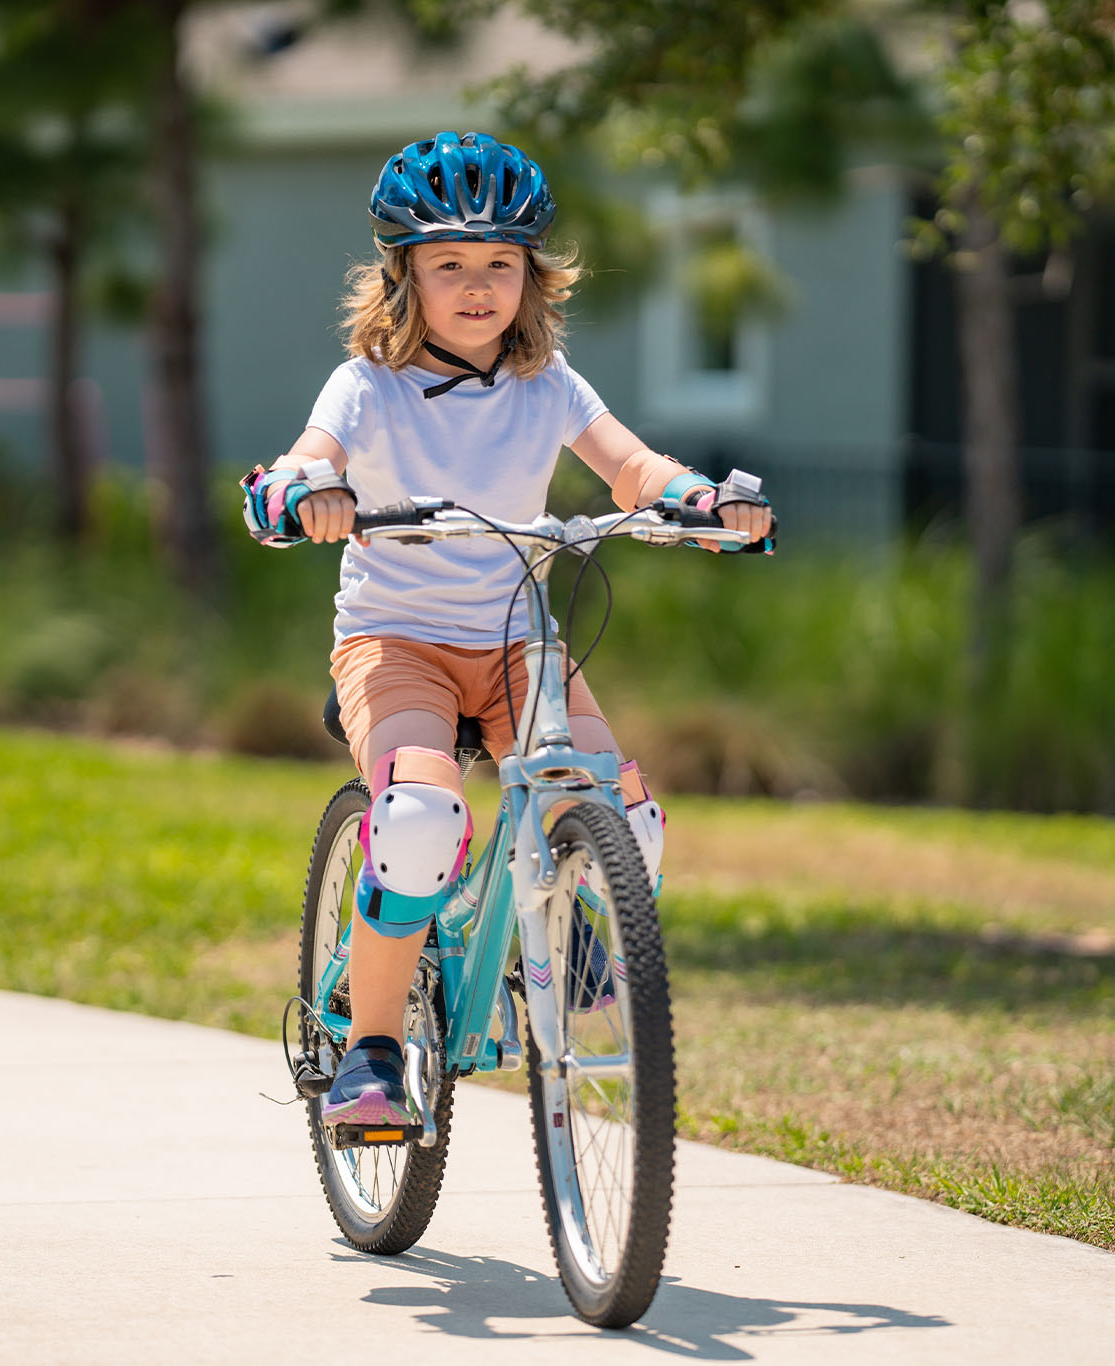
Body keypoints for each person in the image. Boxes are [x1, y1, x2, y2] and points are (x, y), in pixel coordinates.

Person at [238, 131, 774, 1130]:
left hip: (518, 637)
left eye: (499, 263)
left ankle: (570, 925)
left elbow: (628, 466)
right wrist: (301, 489)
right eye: (448, 264)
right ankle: (374, 1051)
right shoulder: (369, 383)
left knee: (626, 819)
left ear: (532, 276)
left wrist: (698, 500)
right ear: (404, 277)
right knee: (415, 823)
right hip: (395, 637)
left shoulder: (548, 382)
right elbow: (315, 451)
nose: (476, 285)